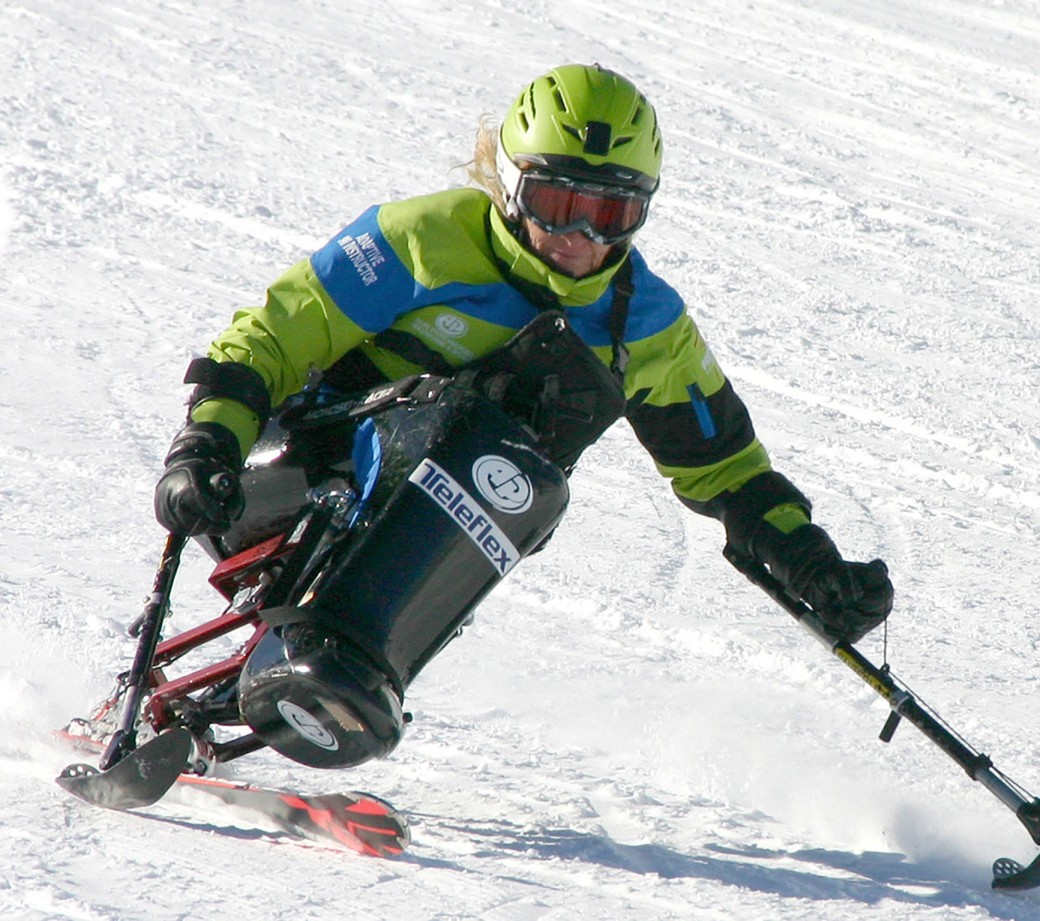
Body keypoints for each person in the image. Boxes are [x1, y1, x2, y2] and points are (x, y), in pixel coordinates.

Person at [153, 63, 893, 647]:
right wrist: (206, 440)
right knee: (455, 417)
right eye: (558, 204)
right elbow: (278, 334)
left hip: (437, 534)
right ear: (511, 183)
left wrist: (811, 562)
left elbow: (724, 468)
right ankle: (329, 649)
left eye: (611, 213)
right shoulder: (423, 237)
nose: (583, 239)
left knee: (523, 439)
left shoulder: (646, 320)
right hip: (279, 472)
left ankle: (353, 664)